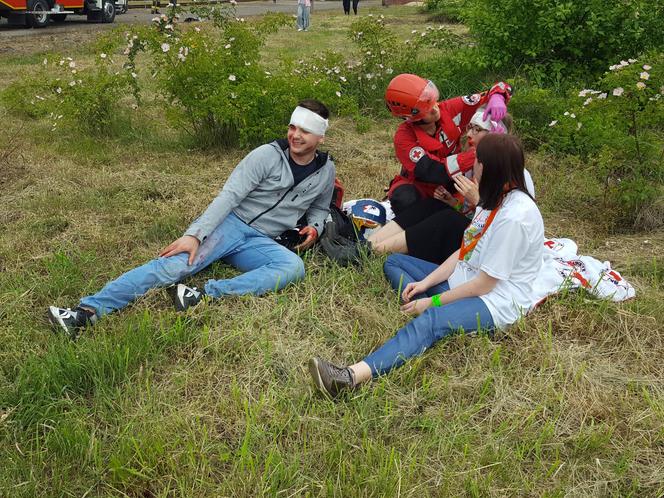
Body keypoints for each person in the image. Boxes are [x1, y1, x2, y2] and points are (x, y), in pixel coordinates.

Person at [48, 100, 336, 338]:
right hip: (230, 225)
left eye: (305, 131)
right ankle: (85, 312)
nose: (295, 135)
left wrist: (315, 227)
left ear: (320, 137)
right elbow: (229, 196)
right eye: (292, 127)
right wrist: (195, 234)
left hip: (262, 241)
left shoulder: (325, 170)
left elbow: (321, 208)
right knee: (173, 268)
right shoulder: (266, 155)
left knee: (293, 267)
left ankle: (203, 295)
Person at [309, 134, 544, 398]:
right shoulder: (493, 200)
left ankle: (349, 377)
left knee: (430, 320)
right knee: (395, 262)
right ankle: (438, 310)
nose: (472, 167)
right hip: (467, 278)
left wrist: (432, 304)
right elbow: (463, 251)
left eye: (476, 161)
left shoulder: (515, 217)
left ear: (487, 168)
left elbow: (485, 284)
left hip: (496, 300)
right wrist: (425, 283)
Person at [384, 73, 512, 215]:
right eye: (427, 109)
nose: (435, 108)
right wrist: (476, 155)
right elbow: (433, 171)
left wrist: (497, 97)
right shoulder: (404, 137)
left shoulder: (449, 109)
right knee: (404, 199)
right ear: (410, 117)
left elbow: (500, 87)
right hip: (419, 184)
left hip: (453, 181)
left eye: (432, 101)